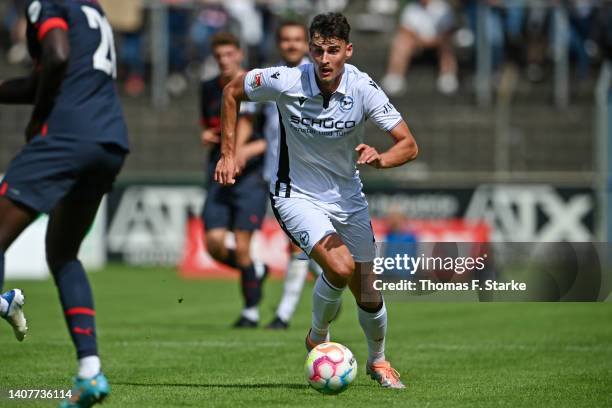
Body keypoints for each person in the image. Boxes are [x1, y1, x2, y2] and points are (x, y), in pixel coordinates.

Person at [216, 13, 418, 388]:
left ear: (348, 51)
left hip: (348, 197)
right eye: (318, 50)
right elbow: (232, 91)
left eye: (333, 51)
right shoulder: (287, 79)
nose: (324, 59)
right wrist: (228, 153)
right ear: (309, 50)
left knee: (369, 292)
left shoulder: (364, 88)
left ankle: (379, 361)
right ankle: (318, 337)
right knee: (339, 267)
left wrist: (381, 158)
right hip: (296, 195)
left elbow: (408, 144)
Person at [0, 0, 129, 406]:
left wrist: (38, 121)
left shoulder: (47, 3)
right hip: (109, 141)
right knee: (63, 255)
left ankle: (4, 302)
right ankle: (90, 372)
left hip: (67, 137)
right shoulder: (90, 10)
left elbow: (55, 56)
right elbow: (58, 72)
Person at [199, 32, 268, 328]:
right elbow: (208, 125)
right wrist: (205, 135)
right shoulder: (207, 88)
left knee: (242, 247)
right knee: (213, 244)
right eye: (219, 57)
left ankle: (250, 312)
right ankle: (255, 271)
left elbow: (269, 138)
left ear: (240, 54)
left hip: (250, 176)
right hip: (219, 172)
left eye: (229, 55)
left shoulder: (258, 86)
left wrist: (242, 153)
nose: (224, 61)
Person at [262, 20, 324, 330]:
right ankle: (330, 280)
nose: (291, 44)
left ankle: (284, 314)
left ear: (308, 44)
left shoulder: (316, 78)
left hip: (303, 177)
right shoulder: (267, 79)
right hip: (271, 174)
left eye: (297, 39)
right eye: (285, 39)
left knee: (298, 245)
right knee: (306, 248)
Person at [381, 0, 458, 96]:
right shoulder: (411, 9)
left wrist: (432, 41)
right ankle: (394, 76)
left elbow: (448, 32)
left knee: (447, 44)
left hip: (438, 44)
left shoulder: (443, 8)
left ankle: (448, 76)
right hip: (417, 46)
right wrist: (421, 42)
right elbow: (405, 31)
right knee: (401, 42)